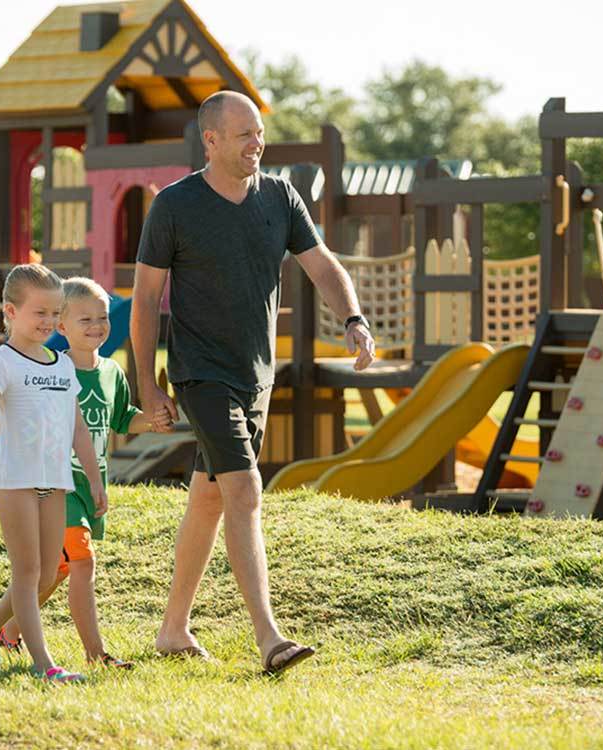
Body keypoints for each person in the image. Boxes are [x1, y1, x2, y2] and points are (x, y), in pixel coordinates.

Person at [131, 90, 376, 674]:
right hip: (200, 372)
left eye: (260, 132)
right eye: (243, 134)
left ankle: (172, 630)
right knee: (244, 491)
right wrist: (148, 384)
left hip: (255, 374)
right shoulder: (174, 206)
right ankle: (270, 639)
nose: (256, 143)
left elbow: (322, 265)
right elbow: (144, 300)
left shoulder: (281, 197)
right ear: (210, 141)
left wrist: (354, 318)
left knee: (211, 495)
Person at [0, 277, 163, 669]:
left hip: (75, 485)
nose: (97, 326)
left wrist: (147, 426)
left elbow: (103, 422)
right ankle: (79, 656)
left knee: (52, 571)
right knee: (74, 564)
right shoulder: (29, 363)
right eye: (84, 319)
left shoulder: (98, 371)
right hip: (33, 482)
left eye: (102, 318)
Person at [0, 265, 106, 684]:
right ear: (11, 311)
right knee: (27, 573)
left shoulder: (62, 365)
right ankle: (44, 665)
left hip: (57, 481)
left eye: (55, 313)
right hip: (15, 481)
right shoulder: (1, 362)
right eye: (39, 313)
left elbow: (77, 426)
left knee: (48, 573)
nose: (49, 322)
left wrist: (95, 481)